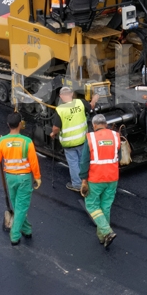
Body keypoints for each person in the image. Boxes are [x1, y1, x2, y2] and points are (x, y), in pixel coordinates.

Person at [0, 112, 41, 246]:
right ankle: (14, 234)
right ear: (20, 124)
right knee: (21, 207)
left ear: (8, 125)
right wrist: (37, 177)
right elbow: (34, 162)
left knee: (17, 206)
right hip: (24, 179)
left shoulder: (1, 141)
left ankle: (27, 229)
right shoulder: (27, 142)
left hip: (10, 178)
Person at [49, 86, 99, 193]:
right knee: (83, 161)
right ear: (72, 94)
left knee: (73, 163)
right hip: (82, 139)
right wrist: (95, 98)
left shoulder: (60, 110)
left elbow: (56, 128)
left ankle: (77, 184)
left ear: (61, 97)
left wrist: (53, 133)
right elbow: (91, 107)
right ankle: (86, 181)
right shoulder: (80, 103)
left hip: (69, 143)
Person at [82, 115, 121, 249]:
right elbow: (119, 156)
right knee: (106, 206)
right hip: (112, 177)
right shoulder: (115, 136)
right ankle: (102, 236)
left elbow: (84, 161)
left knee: (92, 205)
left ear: (94, 125)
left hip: (96, 178)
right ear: (106, 124)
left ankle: (106, 231)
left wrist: (83, 180)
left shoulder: (91, 138)